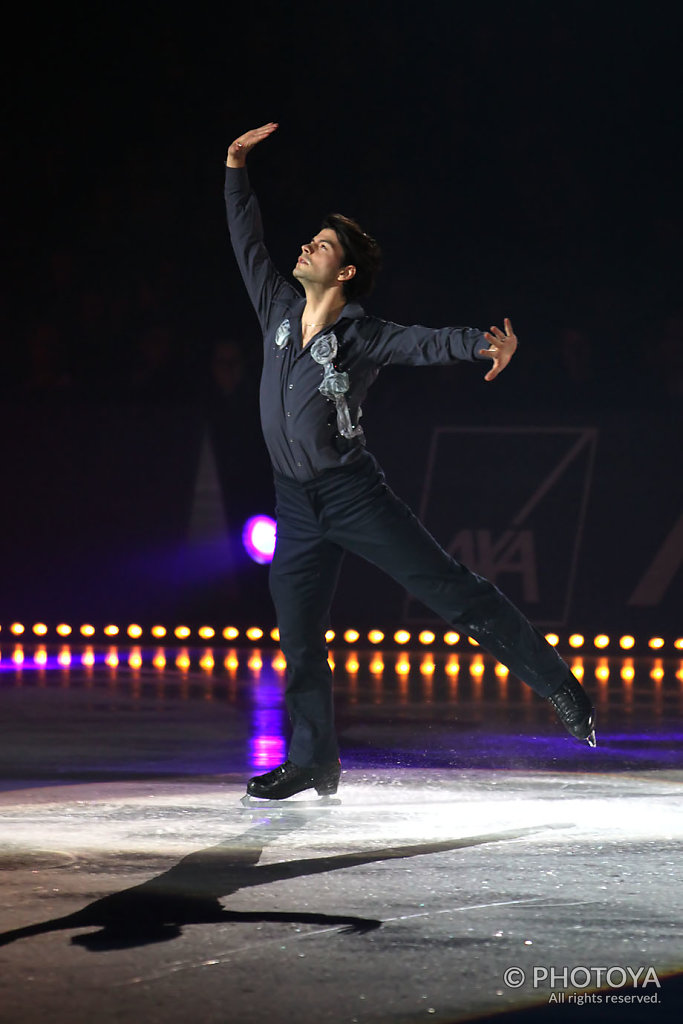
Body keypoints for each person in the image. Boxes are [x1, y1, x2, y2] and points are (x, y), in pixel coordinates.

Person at [225, 122, 596, 801]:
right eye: (311, 238)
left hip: (351, 496)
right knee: (298, 635)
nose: (305, 245)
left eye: (323, 244)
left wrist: (480, 346)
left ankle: (561, 686)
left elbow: (424, 344)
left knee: (452, 591)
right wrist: (234, 169)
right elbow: (246, 241)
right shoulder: (277, 306)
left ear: (343, 272)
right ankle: (313, 761)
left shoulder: (362, 334)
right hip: (292, 503)